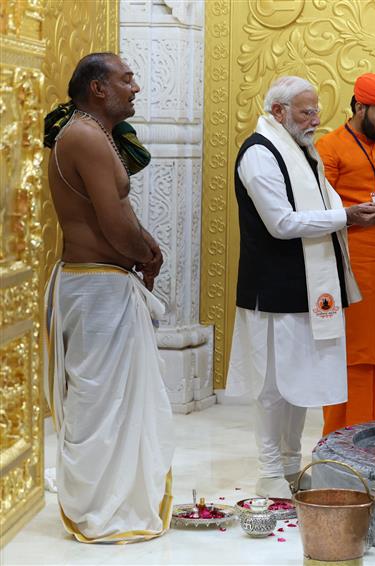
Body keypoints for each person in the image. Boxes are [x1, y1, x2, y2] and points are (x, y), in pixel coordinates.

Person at [225, 76, 375, 498]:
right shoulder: (259, 154)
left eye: (317, 110)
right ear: (278, 112)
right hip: (272, 290)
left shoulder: (302, 151)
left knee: (298, 382)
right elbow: (281, 223)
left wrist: (363, 213)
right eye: (306, 111)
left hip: (305, 289)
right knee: (270, 387)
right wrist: (347, 219)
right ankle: (267, 471)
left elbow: (326, 203)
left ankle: (288, 464)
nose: (315, 119)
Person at [43, 52, 174, 543]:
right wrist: (147, 255)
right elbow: (116, 227)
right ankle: (100, 510)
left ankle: (114, 500)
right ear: (98, 89)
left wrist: (146, 246)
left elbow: (118, 211)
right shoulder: (83, 136)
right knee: (99, 406)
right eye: (126, 78)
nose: (135, 87)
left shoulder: (93, 134)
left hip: (101, 283)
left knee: (113, 404)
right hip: (96, 287)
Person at [316, 73, 375, 436]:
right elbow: (320, 209)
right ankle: (346, 442)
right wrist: (356, 213)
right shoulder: (330, 147)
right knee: (354, 356)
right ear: (360, 106)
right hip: (350, 264)